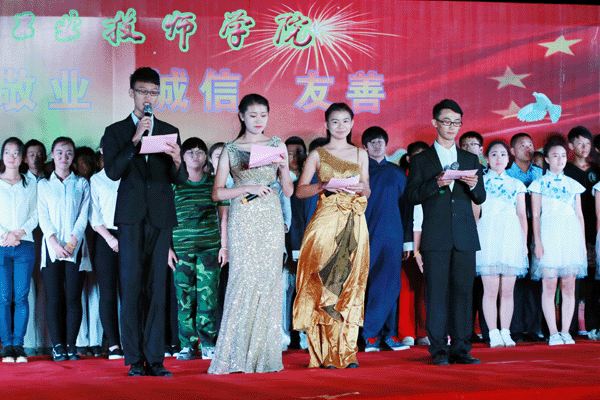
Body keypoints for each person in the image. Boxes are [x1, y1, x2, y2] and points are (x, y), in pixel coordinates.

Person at [102, 67, 187, 377]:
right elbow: (113, 172)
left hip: (161, 217)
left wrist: (177, 160)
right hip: (130, 217)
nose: (148, 97)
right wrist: (135, 139)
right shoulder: (116, 131)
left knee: (157, 287)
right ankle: (135, 359)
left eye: (153, 92)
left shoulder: (169, 129)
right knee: (131, 285)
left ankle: (156, 358)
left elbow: (179, 179)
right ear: (131, 93)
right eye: (142, 91)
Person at [208, 93, 293, 374]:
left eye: (263, 115)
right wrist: (246, 188)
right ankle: (235, 355)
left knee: (269, 282)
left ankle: (263, 356)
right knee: (242, 280)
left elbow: (288, 191)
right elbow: (217, 193)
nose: (259, 121)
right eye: (253, 115)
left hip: (270, 218)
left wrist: (284, 168)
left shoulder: (277, 144)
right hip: (243, 217)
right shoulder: (231, 149)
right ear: (241, 116)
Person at [405, 99, 485, 366]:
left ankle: (462, 347)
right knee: (436, 293)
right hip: (435, 235)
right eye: (447, 121)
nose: (452, 127)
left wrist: (473, 185)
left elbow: (480, 197)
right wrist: (436, 183)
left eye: (457, 122)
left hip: (465, 236)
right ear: (435, 123)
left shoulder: (470, 158)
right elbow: (411, 196)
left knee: (463, 293)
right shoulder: (421, 160)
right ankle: (439, 348)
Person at [293, 102, 371, 369]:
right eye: (335, 121)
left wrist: (361, 188)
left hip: (354, 221)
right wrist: (324, 185)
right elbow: (300, 191)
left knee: (352, 283)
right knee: (326, 283)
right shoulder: (317, 154)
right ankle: (325, 353)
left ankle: (347, 352)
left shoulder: (361, 153)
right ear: (326, 124)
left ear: (352, 123)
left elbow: (367, 189)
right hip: (326, 223)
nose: (340, 126)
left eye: (345, 121)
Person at [167, 137, 229, 361]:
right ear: (183, 157)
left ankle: (208, 344)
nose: (196, 156)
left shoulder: (215, 183)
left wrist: (224, 246)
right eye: (190, 152)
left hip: (209, 249)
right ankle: (187, 345)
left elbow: (223, 217)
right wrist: (167, 248)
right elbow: (165, 219)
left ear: (206, 158)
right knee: (184, 298)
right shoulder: (174, 183)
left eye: (200, 152)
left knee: (208, 298)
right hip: (181, 250)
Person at [38, 136, 91, 362]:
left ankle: (71, 345)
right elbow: (43, 216)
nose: (64, 157)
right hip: (52, 248)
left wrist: (71, 243)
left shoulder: (81, 184)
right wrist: (55, 243)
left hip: (75, 248)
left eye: (69, 153)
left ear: (73, 157)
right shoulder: (44, 185)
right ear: (52, 155)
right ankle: (57, 345)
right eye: (59, 152)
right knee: (54, 298)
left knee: (73, 298)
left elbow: (84, 216)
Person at [529, 137, 587, 346]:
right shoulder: (538, 184)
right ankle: (553, 333)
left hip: (570, 235)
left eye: (563, 155)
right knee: (550, 284)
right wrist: (538, 242)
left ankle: (565, 331)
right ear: (547, 159)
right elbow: (536, 215)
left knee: (569, 285)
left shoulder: (573, 185)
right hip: (549, 234)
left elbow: (579, 216)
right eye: (555, 156)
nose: (560, 159)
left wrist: (582, 243)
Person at [360, 126, 410, 352]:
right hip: (364, 233)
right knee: (364, 285)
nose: (377, 145)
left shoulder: (397, 173)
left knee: (390, 284)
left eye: (380, 141)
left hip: (392, 235)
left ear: (386, 144)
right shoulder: (359, 173)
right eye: (372, 142)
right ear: (364, 147)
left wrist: (407, 241)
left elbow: (407, 208)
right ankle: (368, 336)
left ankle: (389, 335)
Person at [476, 140, 528, 348]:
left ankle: (506, 331)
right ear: (486, 159)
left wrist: (524, 242)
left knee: (507, 291)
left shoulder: (517, 184)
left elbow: (522, 215)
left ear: (509, 158)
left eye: (503, 154)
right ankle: (493, 333)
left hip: (510, 236)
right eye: (494, 154)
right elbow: (475, 214)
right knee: (489, 290)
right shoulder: (479, 182)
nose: (499, 158)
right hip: (487, 235)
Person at [0, 137, 38, 363]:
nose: (11, 156)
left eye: (16, 152)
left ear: (22, 157)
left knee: (22, 296)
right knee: (4, 297)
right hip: (1, 245)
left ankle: (19, 345)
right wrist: (5, 235)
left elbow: (36, 213)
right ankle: (6, 346)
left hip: (25, 245)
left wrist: (20, 232)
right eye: (7, 152)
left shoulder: (30, 184)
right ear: (2, 156)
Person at [506, 133, 544, 343]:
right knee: (515, 279)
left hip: (539, 229)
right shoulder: (506, 175)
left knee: (535, 279)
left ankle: (534, 327)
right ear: (512, 151)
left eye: (530, 144)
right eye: (522, 145)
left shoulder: (541, 174)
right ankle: (515, 328)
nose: (528, 148)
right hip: (514, 228)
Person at [89, 141, 124, 360]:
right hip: (105, 237)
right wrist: (110, 239)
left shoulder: (131, 175)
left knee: (130, 292)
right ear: (102, 150)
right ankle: (113, 344)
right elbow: (94, 216)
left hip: (130, 235)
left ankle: (131, 341)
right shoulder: (96, 179)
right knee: (108, 293)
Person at [564, 126, 600, 336]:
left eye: (588, 143)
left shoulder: (597, 169)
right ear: (571, 146)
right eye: (580, 143)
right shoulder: (565, 170)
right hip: (572, 230)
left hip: (595, 230)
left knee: (594, 279)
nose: (585, 148)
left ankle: (593, 324)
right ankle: (569, 327)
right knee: (572, 280)